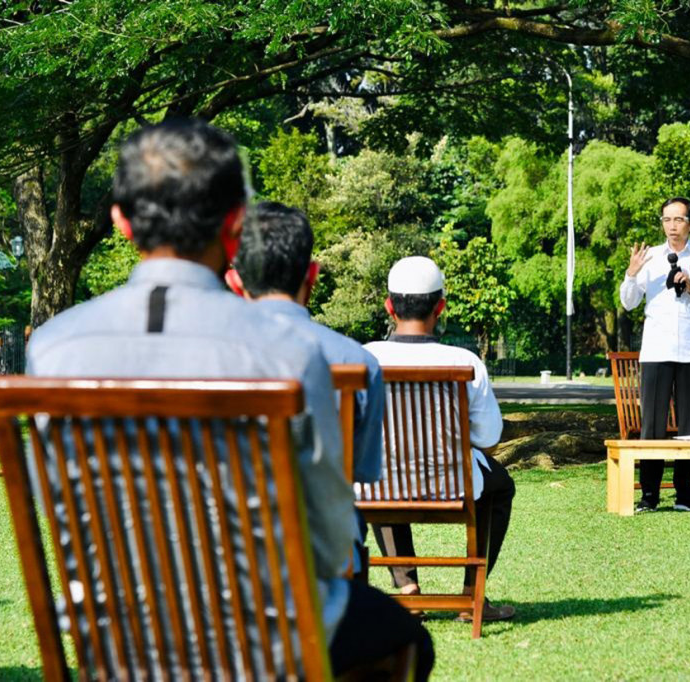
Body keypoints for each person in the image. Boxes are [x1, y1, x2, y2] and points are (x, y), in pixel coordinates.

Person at [25, 119, 432, 680]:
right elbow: (334, 539)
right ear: (237, 223)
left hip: (119, 638)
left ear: (120, 221)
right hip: (264, 640)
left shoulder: (52, 349)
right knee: (406, 638)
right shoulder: (287, 351)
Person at [231, 200, 386, 573]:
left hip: (228, 562)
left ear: (235, 282)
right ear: (312, 275)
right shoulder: (358, 362)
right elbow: (360, 471)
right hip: (326, 565)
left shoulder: (202, 360)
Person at [364, 256, 517, 622]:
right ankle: (471, 595)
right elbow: (489, 437)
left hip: (381, 486)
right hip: (452, 483)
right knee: (500, 486)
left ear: (389, 306)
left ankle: (407, 589)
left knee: (379, 469)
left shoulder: (365, 357)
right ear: (441, 306)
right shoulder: (465, 360)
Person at [619, 197, 690, 512]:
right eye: (666, 220)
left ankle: (685, 496)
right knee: (652, 425)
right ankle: (649, 496)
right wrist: (632, 274)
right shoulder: (648, 257)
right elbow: (628, 302)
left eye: (678, 220)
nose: (672, 226)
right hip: (656, 349)